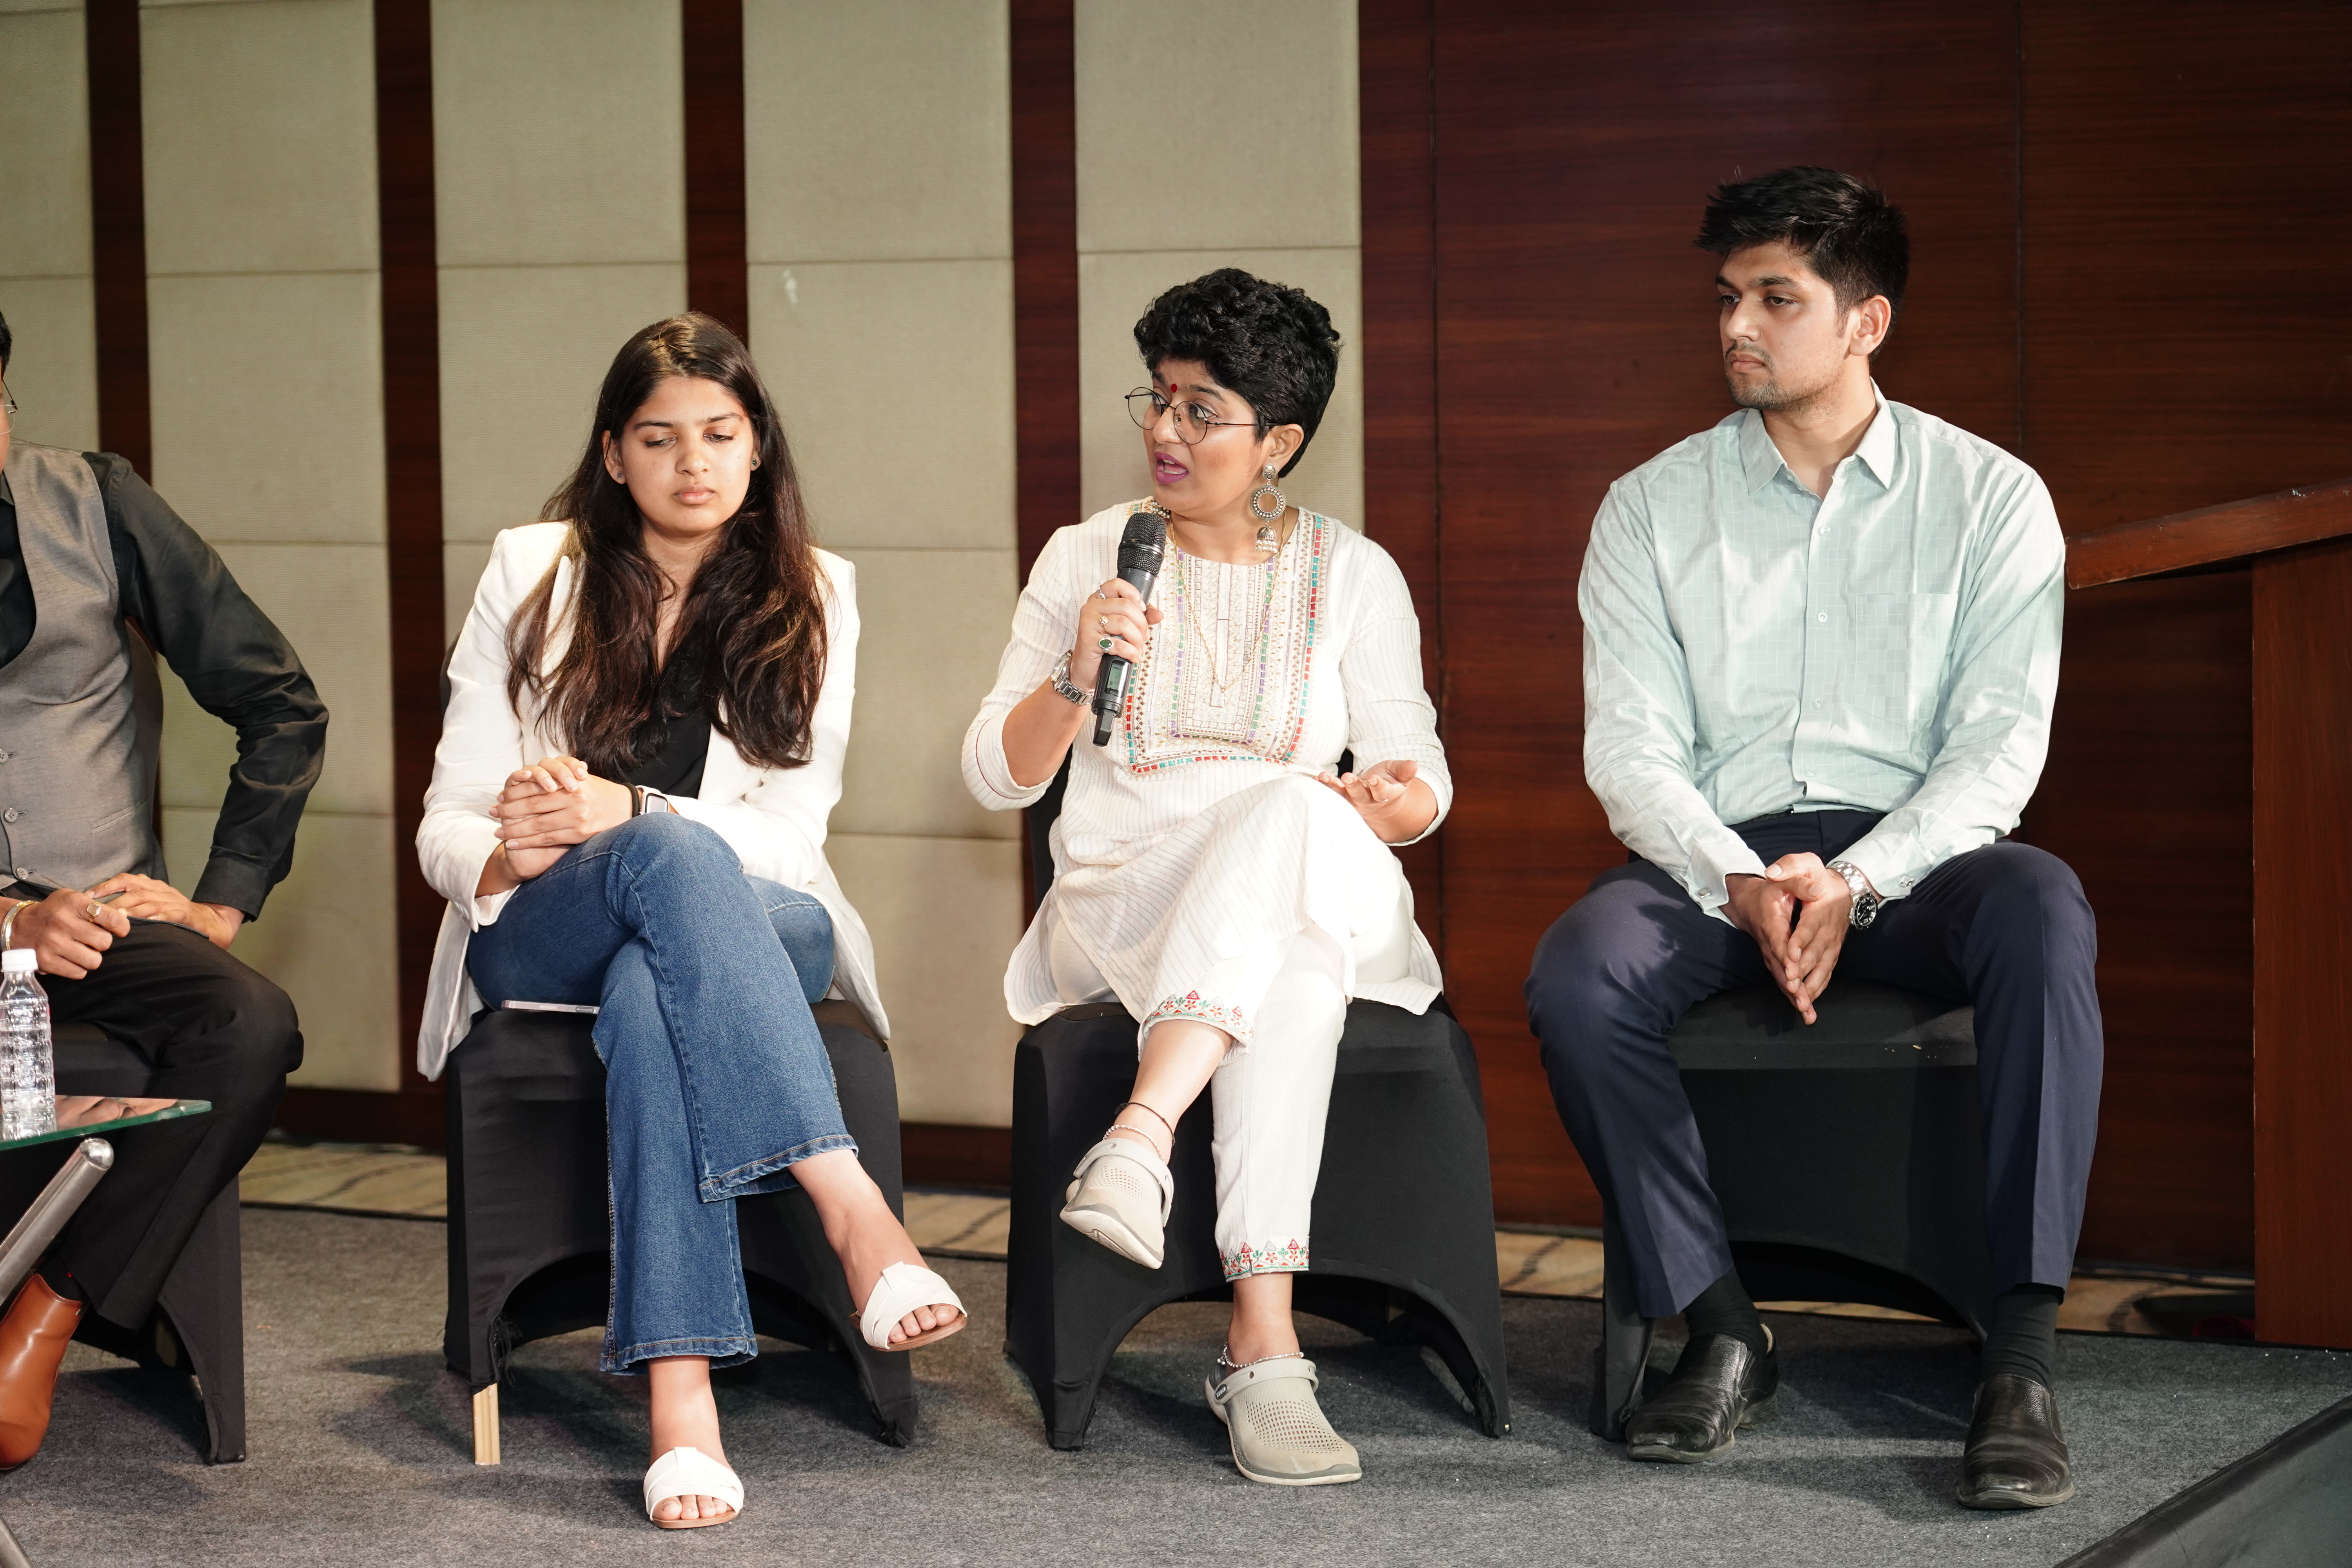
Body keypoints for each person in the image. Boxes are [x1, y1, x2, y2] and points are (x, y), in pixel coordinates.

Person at [1523, 169, 2099, 1509]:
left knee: (2045, 908)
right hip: (1712, 857)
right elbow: (1632, 748)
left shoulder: (1991, 497)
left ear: (1866, 322)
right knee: (1576, 971)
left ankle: (2018, 1360)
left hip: (1923, 861)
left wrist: (1857, 876)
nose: (1739, 325)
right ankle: (1723, 1325)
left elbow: (2002, 746)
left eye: (1777, 298)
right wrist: (1737, 873)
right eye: (1728, 298)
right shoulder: (1651, 508)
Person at [417, 314, 962, 1531]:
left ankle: (680, 1403)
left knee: (656, 975)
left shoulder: (816, 593)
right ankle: (854, 1213)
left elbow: (791, 836)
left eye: (720, 435)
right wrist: (519, 846)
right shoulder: (534, 568)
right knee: (654, 878)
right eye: (659, 440)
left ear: (758, 446)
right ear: (614, 456)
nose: (692, 463)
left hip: (767, 924)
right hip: (539, 926)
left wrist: (628, 809)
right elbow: (445, 821)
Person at [964, 270, 1449, 1487]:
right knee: (1291, 959)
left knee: (1296, 855)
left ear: (1280, 439)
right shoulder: (1089, 554)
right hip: (1123, 897)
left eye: (1202, 411)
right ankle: (1262, 1355)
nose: (1165, 433)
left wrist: (1401, 801)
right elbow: (995, 777)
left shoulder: (1355, 573)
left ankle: (1152, 1147)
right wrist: (1075, 675)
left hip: (1308, 876)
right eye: (1159, 400)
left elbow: (1417, 772)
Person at [0, 309, 320, 1464]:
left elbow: (280, 704)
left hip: (96, 912)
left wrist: (219, 900)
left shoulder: (97, 502)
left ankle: (43, 1317)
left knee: (246, 1022)